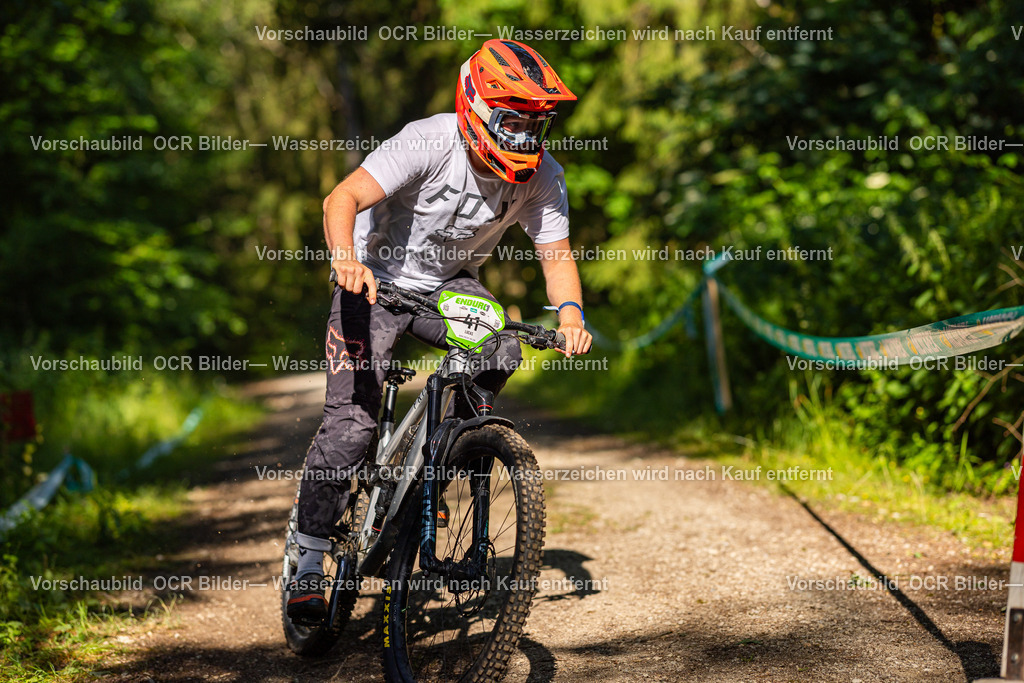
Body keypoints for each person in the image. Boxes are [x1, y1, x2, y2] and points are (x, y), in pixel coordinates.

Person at [287, 39, 593, 624]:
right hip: (371, 279)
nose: (526, 139)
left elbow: (556, 254)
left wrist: (572, 314)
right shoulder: (428, 139)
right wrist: (345, 259)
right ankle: (308, 557)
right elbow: (342, 197)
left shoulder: (543, 176)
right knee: (352, 425)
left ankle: (441, 458)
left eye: (537, 126)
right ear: (476, 108)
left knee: (501, 344)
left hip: (447, 286)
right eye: (513, 123)